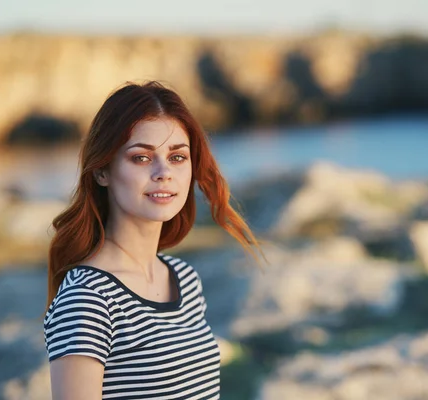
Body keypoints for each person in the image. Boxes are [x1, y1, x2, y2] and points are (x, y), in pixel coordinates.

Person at [43, 81, 264, 400]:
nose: (164, 172)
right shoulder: (87, 300)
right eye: (141, 158)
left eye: (177, 157)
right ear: (102, 171)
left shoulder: (185, 279)